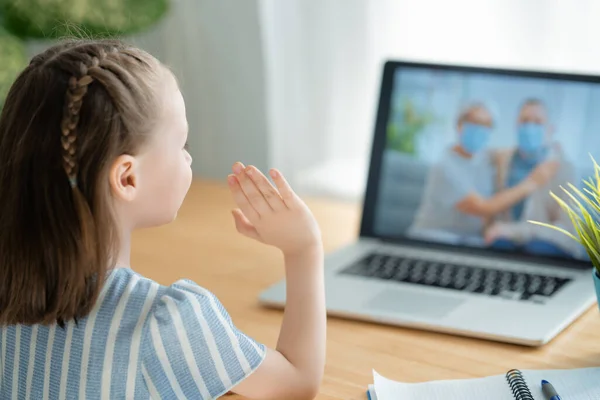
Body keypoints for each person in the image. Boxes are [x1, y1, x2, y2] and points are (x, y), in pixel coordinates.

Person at [0, 40, 325, 399]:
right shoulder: (163, 323)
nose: (188, 159)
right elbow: (297, 384)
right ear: (127, 178)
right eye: (181, 144)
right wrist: (304, 249)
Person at [408, 101, 555, 243]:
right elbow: (484, 208)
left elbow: (508, 154)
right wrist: (532, 182)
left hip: (470, 242)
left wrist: (553, 148)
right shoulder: (445, 167)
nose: (480, 130)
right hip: (434, 239)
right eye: (475, 122)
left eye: (486, 125)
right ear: (459, 125)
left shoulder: (485, 158)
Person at [484, 98, 581, 257]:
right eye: (525, 121)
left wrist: (516, 231)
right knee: (498, 245)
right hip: (507, 243)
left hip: (545, 246)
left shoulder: (564, 168)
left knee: (535, 248)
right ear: (516, 125)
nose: (530, 127)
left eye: (537, 122)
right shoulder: (502, 160)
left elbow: (569, 232)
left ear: (550, 129)